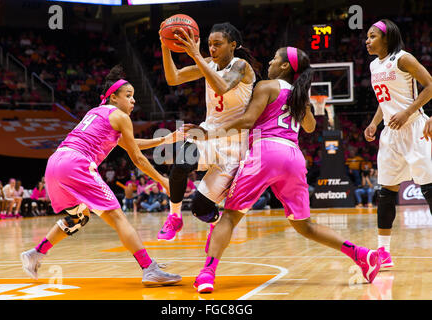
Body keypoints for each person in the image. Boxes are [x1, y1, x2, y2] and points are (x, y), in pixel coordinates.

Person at [184, 47, 382, 293]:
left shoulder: (266, 86)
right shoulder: (299, 96)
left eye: (275, 58)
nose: (269, 60)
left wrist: (208, 134)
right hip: (293, 157)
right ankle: (361, 254)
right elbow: (309, 128)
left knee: (230, 217)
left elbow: (246, 121)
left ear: (285, 66)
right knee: (304, 225)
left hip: (265, 152)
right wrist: (304, 104)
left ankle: (207, 273)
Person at [20, 65, 182, 286]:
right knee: (118, 218)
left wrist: (165, 139)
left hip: (56, 163)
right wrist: (162, 180)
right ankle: (149, 268)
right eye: (128, 95)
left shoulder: (94, 113)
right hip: (77, 163)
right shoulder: (120, 116)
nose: (133, 101)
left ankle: (36, 253)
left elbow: (131, 144)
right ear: (113, 97)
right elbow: (137, 158)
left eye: (134, 96)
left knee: (78, 217)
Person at [158, 22, 260, 241]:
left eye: (218, 44)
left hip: (234, 143)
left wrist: (196, 55)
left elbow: (221, 86)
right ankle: (174, 217)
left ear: (232, 45)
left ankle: (214, 222)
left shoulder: (241, 66)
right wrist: (165, 45)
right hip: (207, 133)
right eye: (209, 45)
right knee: (180, 164)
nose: (212, 49)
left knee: (200, 209)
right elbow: (173, 78)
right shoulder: (208, 63)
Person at [364, 19, 432, 269]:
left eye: (372, 36)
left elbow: (430, 86)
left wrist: (408, 111)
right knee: (386, 193)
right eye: (367, 37)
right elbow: (385, 101)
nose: (367, 41)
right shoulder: (373, 65)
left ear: (387, 37)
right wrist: (373, 123)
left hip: (415, 128)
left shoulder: (404, 59)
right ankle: (383, 252)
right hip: (391, 134)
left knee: (429, 188)